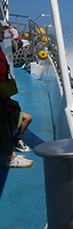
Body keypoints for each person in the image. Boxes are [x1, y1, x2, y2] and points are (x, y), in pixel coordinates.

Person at [0, 24, 32, 167]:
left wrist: (7, 99)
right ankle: (11, 158)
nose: (4, 34)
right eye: (1, 32)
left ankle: (11, 154)